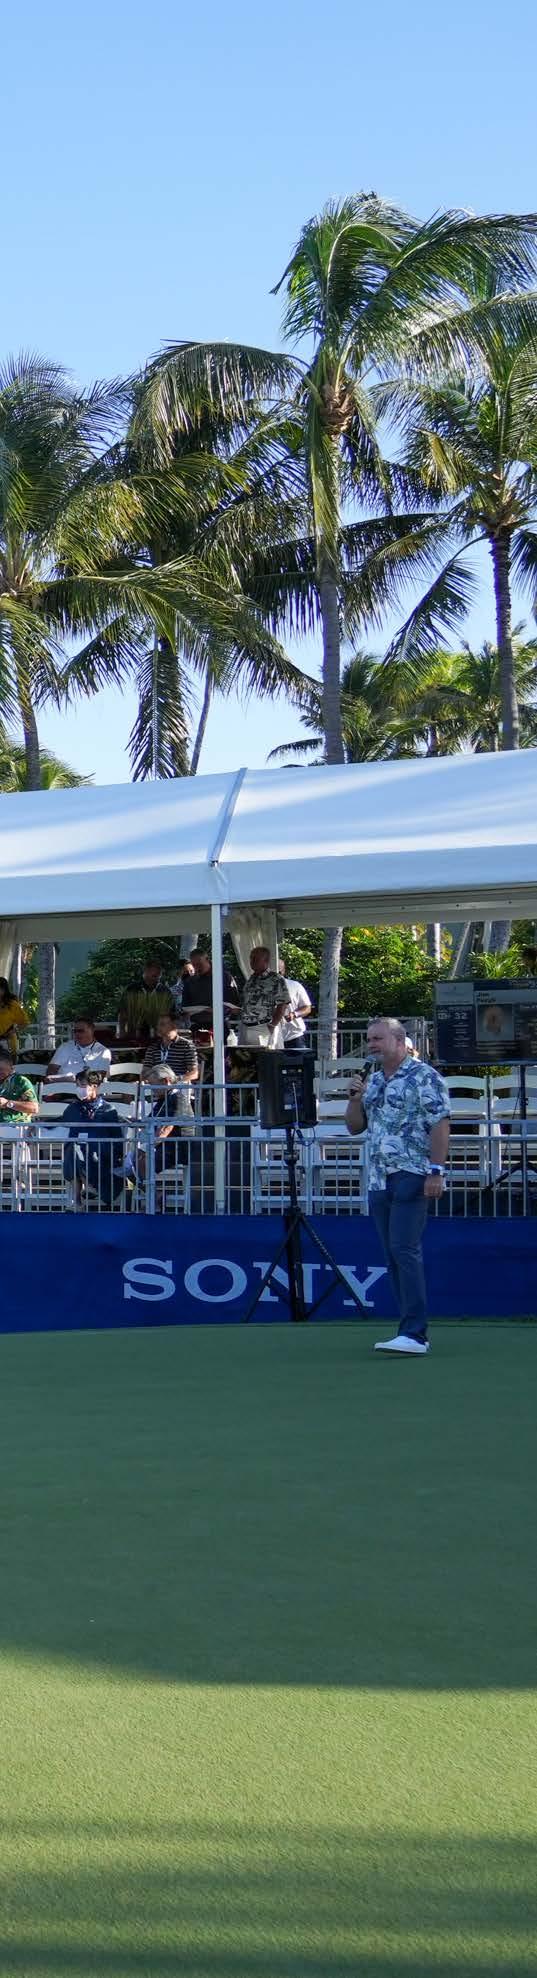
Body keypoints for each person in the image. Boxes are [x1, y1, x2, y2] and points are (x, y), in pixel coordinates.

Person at [345, 1017, 450, 1356]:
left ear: (400, 1040)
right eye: (369, 1039)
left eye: (378, 1038)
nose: (371, 1044)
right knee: (392, 1253)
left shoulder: (424, 1076)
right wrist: (354, 1099)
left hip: (412, 1172)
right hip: (378, 1176)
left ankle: (415, 1334)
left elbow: (440, 1123)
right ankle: (409, 1330)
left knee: (404, 1249)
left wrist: (436, 1171)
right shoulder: (374, 1080)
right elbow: (354, 1127)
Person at [62, 1068, 124, 1208]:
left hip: (101, 1154)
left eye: (83, 1085)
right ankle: (78, 1196)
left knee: (83, 1149)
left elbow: (116, 1137)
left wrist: (118, 1156)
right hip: (77, 1151)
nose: (79, 1089)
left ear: (94, 1086)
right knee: (74, 1148)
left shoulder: (108, 1109)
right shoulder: (73, 1108)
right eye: (77, 1085)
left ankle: (84, 1189)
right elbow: (62, 1123)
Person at [138, 1063, 194, 1188]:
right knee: (134, 1160)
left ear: (166, 1081)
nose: (152, 1089)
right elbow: (148, 1121)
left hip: (178, 1147)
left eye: (154, 1085)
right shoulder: (163, 1099)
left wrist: (148, 1146)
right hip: (164, 1145)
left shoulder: (178, 1098)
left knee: (142, 1161)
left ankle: (154, 1195)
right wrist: (132, 1121)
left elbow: (167, 1128)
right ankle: (151, 1192)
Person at [238, 948, 291, 1049]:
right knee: (244, 1057)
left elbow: (283, 1004)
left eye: (256, 959)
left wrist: (273, 1025)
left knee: (264, 1057)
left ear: (266, 960)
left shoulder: (275, 979)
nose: (252, 961)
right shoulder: (251, 979)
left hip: (263, 1027)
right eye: (251, 958)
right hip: (245, 1027)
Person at [180, 949, 240, 1034]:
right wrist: (185, 1012)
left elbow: (235, 1004)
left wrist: (218, 1009)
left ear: (207, 959)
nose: (197, 968)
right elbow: (185, 1005)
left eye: (200, 964)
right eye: (194, 965)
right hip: (197, 1026)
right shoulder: (190, 982)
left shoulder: (224, 977)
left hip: (219, 1025)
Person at [117, 959, 173, 1039]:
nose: (157, 979)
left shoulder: (165, 991)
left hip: (158, 1035)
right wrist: (121, 1031)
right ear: (145, 972)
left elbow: (172, 1014)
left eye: (159, 976)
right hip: (134, 1034)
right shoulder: (132, 989)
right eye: (154, 976)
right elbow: (122, 1012)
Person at [46, 1019, 112, 1081]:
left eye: (81, 1031)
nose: (77, 1034)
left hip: (89, 1087)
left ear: (92, 1030)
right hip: (62, 1086)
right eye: (75, 1031)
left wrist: (78, 1079)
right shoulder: (65, 1047)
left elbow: (101, 1076)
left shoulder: (103, 1051)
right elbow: (51, 1071)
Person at [142, 1013, 199, 1084]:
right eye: (158, 1024)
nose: (158, 1027)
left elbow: (194, 1073)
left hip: (177, 1086)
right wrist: (150, 1080)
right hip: (155, 1086)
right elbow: (145, 1072)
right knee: (132, 1087)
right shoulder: (153, 1047)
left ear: (174, 1026)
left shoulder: (186, 1045)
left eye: (162, 1024)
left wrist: (175, 1080)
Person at [278, 958, 312, 1051]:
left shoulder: (295, 985)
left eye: (279, 971)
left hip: (293, 1036)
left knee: (297, 1060)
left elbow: (307, 1007)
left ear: (283, 971)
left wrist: (294, 1014)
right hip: (271, 1038)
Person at [0, 1044, 38, 1120]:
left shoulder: (21, 1082)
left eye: (1, 1070)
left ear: (11, 1067)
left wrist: (7, 1103)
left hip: (15, 1124)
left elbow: (34, 1108)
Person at [0, 978, 30, 1056]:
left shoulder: (12, 1004)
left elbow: (25, 1022)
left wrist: (14, 1030)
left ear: (4, 990)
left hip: (7, 1043)